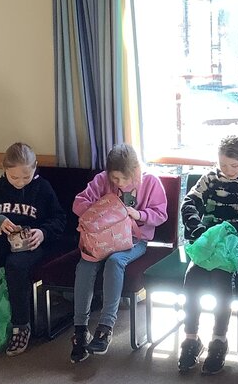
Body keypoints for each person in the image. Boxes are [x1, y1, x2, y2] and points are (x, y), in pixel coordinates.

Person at [178, 135, 238, 375]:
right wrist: (198, 230)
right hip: (210, 243)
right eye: (223, 165)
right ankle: (191, 339)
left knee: (221, 275)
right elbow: (189, 203)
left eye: (234, 165)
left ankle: (219, 341)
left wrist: (231, 228)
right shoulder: (211, 178)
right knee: (193, 277)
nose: (228, 171)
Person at [0, 142, 66, 356]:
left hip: (33, 244)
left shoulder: (43, 188)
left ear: (35, 167)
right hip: (3, 241)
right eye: (14, 177)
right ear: (4, 170)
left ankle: (21, 325)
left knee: (15, 266)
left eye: (26, 177)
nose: (20, 182)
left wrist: (43, 232)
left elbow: (59, 219)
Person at [70, 144, 168, 363]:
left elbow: (160, 214)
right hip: (101, 240)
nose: (120, 183)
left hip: (134, 240)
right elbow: (79, 203)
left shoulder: (151, 182)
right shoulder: (101, 180)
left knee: (115, 262)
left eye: (125, 178)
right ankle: (80, 329)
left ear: (136, 170)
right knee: (85, 265)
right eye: (115, 179)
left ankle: (105, 327)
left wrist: (139, 214)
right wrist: (103, 210)